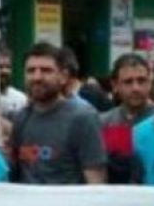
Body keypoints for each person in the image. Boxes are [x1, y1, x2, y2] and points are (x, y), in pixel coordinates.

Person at [9, 42, 107, 185]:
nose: (37, 77)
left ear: (63, 77)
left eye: (46, 70)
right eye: (31, 71)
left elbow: (95, 179)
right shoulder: (21, 118)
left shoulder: (83, 118)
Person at [100, 54, 154, 185]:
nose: (136, 88)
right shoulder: (104, 123)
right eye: (128, 82)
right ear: (115, 85)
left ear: (150, 83)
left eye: (141, 81)